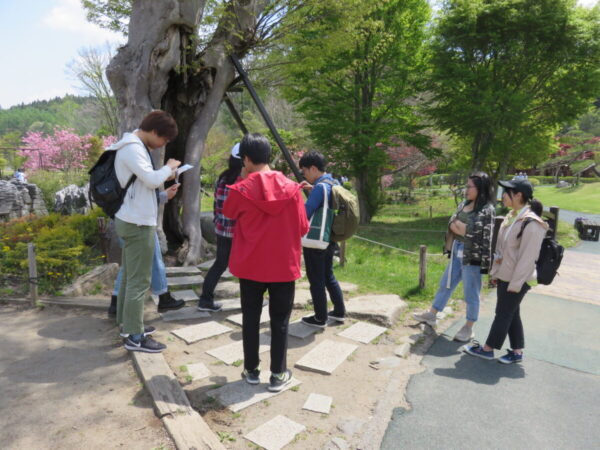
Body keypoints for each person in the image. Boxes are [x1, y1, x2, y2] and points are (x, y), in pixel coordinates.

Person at [223, 133, 309, 392]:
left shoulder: (241, 189)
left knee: (250, 317)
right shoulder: (293, 189)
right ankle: (278, 374)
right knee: (280, 320)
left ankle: (251, 370)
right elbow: (303, 227)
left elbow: (228, 213)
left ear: (246, 159)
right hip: (283, 265)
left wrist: (243, 180)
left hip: (250, 266)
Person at [112, 110, 181, 353]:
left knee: (132, 277)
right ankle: (134, 336)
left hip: (133, 219)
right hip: (137, 224)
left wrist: (164, 196)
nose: (163, 144)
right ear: (154, 132)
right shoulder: (133, 147)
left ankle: (127, 326)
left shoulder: (133, 146)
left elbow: (142, 188)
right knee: (139, 281)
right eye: (164, 140)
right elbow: (151, 179)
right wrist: (169, 167)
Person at [465, 179, 547, 363]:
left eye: (507, 192)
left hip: (518, 279)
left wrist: (516, 284)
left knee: (503, 313)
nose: (502, 196)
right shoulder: (513, 217)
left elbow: (527, 258)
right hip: (506, 276)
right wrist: (496, 274)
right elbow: (503, 252)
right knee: (511, 312)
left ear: (518, 196)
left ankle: (488, 349)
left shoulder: (532, 224)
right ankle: (517, 352)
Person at [413, 172, 495, 342]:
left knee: (471, 292)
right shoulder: (465, 204)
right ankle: (432, 314)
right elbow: (453, 223)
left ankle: (469, 327)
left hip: (471, 255)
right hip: (457, 248)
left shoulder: (487, 210)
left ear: (479, 188)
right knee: (446, 283)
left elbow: (476, 234)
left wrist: (460, 227)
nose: (466, 190)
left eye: (469, 186)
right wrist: (460, 227)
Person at [108, 182, 185, 318]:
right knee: (154, 259)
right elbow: (142, 198)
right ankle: (161, 299)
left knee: (128, 264)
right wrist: (165, 187)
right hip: (137, 222)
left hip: (123, 219)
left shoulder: (122, 168)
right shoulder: (135, 165)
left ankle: (116, 303)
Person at [297, 151, 346, 328]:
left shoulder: (319, 188)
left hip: (316, 241)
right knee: (328, 276)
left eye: (305, 171)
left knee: (316, 279)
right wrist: (312, 188)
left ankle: (320, 317)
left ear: (313, 168)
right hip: (329, 237)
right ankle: (339, 311)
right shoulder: (333, 182)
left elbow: (305, 213)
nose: (304, 174)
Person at [197, 143, 243, 312]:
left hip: (222, 229)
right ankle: (251, 301)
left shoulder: (223, 177)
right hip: (238, 232)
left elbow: (218, 204)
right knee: (246, 267)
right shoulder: (242, 180)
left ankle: (205, 299)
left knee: (220, 264)